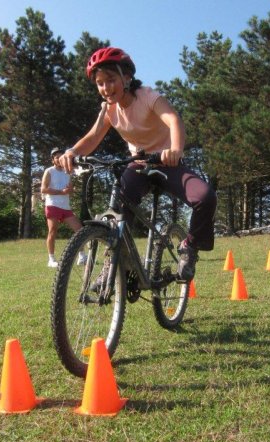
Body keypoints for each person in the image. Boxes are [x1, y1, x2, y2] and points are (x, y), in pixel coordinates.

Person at [60, 47, 216, 281]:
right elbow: (92, 138)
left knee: (205, 197)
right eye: (100, 83)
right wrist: (71, 151)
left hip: (166, 163)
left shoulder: (148, 96)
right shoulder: (108, 109)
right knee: (118, 209)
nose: (106, 88)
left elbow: (174, 120)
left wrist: (174, 150)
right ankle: (114, 264)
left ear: (127, 78)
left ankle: (190, 247)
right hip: (139, 165)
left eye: (111, 80)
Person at [41, 147, 84, 268]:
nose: (59, 159)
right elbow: (43, 189)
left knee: (79, 230)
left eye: (61, 157)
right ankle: (51, 259)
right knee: (52, 231)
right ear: (52, 160)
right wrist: (62, 192)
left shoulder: (67, 172)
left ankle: (82, 257)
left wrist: (70, 190)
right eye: (56, 157)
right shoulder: (49, 171)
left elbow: (69, 190)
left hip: (66, 207)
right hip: (52, 205)